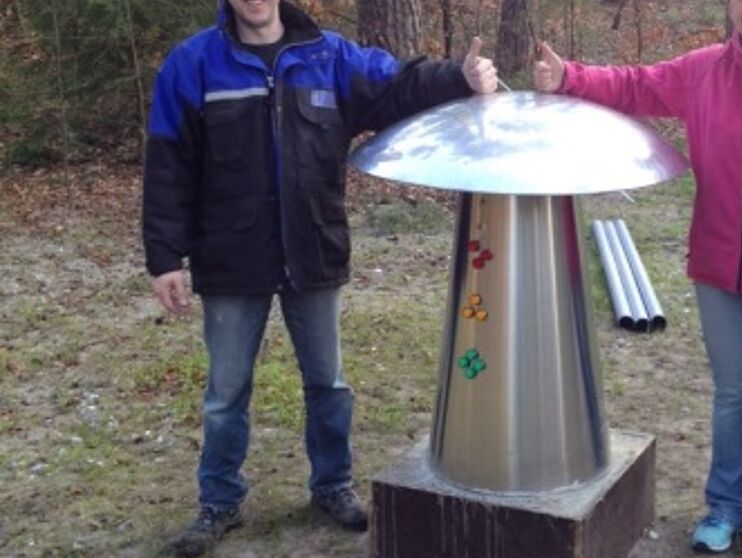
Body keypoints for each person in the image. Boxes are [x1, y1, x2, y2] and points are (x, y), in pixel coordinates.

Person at [142, 0, 497, 555]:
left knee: (328, 384)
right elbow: (167, 164)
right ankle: (219, 503)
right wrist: (165, 256)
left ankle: (332, 485)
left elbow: (396, 85)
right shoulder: (192, 64)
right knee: (226, 393)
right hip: (231, 259)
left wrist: (459, 76)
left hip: (313, 251)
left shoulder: (329, 56)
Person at [534, 0, 742, 557]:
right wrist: (569, 76)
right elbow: (637, 85)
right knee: (734, 393)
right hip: (721, 267)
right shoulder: (706, 70)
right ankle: (724, 506)